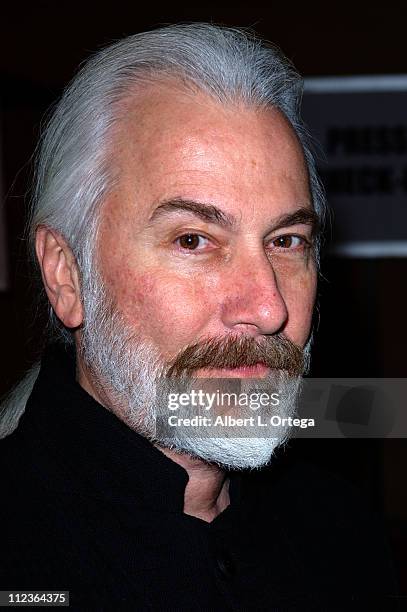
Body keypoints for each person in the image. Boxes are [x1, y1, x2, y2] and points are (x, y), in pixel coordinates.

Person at [0, 23, 398, 610]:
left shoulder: (346, 536)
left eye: (286, 241)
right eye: (194, 240)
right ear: (66, 274)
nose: (268, 308)